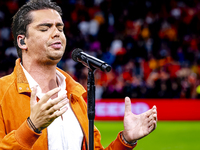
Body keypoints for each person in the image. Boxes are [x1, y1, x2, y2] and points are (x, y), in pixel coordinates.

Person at [0, 0, 157, 149]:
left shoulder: (75, 95)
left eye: (60, 28)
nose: (56, 33)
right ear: (22, 41)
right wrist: (31, 127)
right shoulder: (2, 93)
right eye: (45, 28)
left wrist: (126, 140)